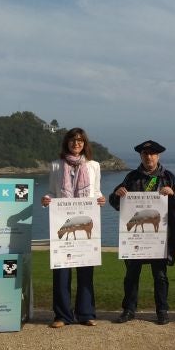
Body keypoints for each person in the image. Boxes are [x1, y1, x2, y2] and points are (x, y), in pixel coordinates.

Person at [109, 140, 175, 325]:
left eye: (152, 154)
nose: (148, 157)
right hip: (136, 238)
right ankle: (128, 309)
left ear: (158, 156)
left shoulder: (168, 177)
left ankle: (162, 310)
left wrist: (173, 194)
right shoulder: (131, 177)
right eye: (145, 154)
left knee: (160, 276)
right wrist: (117, 194)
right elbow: (115, 202)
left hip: (159, 237)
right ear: (141, 156)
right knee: (131, 275)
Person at [41, 128, 106, 328]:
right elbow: (52, 192)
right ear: (67, 143)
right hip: (62, 223)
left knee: (86, 269)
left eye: (80, 140)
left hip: (86, 224)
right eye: (72, 140)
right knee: (61, 270)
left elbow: (96, 192)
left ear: (85, 143)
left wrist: (101, 199)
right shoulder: (55, 165)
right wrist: (46, 199)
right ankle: (62, 315)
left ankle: (86, 313)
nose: (76, 143)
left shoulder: (94, 166)